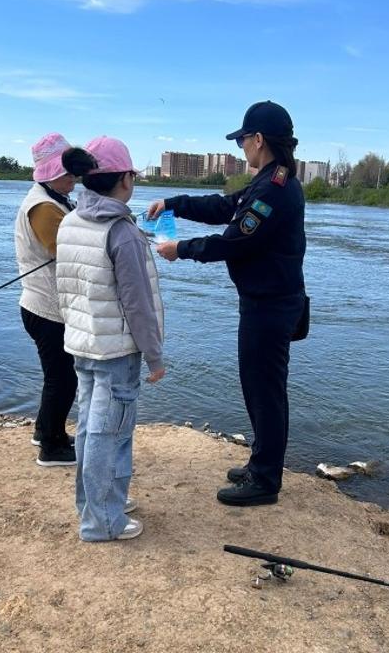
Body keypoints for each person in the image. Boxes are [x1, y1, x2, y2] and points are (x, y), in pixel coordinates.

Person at [148, 101, 306, 506]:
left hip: (269, 306)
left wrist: (180, 249)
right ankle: (260, 464)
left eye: (242, 140)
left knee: (265, 391)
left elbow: (236, 240)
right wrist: (174, 203)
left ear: (258, 140)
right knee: (257, 389)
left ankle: (265, 481)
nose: (240, 148)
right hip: (265, 301)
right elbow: (224, 207)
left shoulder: (274, 189)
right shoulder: (270, 180)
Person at [57, 136, 165, 541]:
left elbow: (63, 288)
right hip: (116, 351)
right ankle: (103, 521)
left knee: (90, 429)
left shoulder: (70, 221)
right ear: (124, 180)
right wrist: (155, 357)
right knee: (111, 433)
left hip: (83, 344)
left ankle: (99, 503)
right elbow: (139, 306)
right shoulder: (121, 233)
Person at [14, 132, 83, 467]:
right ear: (52, 173)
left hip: (45, 308)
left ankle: (45, 431)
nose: (74, 177)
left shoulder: (53, 199)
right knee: (63, 378)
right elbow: (71, 252)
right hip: (46, 310)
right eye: (69, 172)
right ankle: (52, 447)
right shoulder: (42, 207)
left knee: (57, 376)